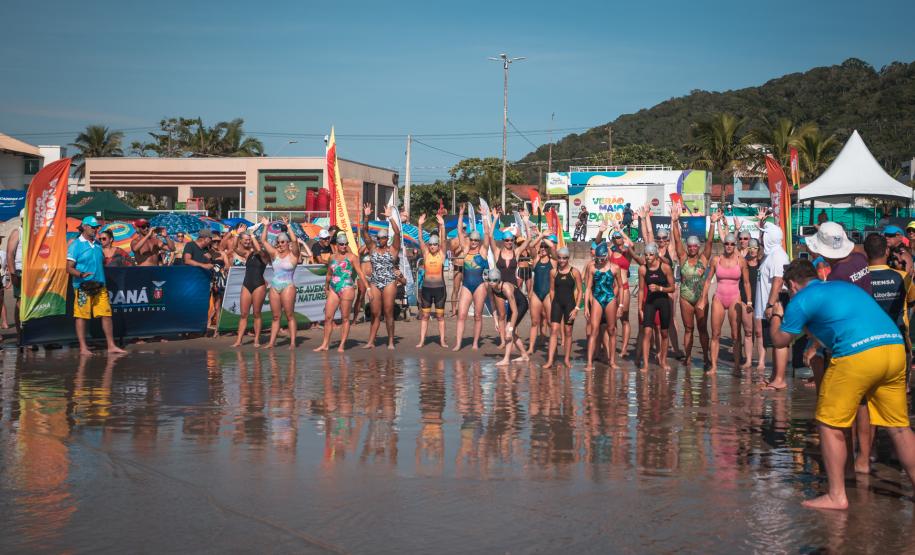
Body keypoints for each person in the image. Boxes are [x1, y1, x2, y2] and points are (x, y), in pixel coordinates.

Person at [769, 259, 915, 510]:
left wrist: (775, 311)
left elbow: (779, 340)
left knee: (828, 422)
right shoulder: (841, 287)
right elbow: (830, 325)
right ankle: (849, 473)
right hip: (893, 347)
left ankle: (837, 495)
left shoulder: (801, 299)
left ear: (792, 285)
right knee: (899, 428)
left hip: (857, 353)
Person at [66, 216, 126, 356]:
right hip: (83, 286)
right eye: (93, 227)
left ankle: (111, 345)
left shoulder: (98, 244)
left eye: (97, 227)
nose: (95, 229)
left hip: (100, 285)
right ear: (85, 227)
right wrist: (81, 274)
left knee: (106, 315)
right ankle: (83, 347)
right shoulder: (75, 245)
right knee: (82, 317)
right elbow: (68, 268)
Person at [698, 233, 752, 373]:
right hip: (719, 298)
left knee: (735, 335)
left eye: (732, 244)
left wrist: (750, 301)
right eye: (727, 244)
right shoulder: (716, 259)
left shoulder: (741, 261)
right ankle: (714, 366)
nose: (729, 246)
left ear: (735, 246)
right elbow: (708, 280)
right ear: (724, 245)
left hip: (735, 297)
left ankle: (735, 366)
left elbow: (746, 283)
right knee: (715, 333)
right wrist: (703, 298)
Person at [671, 208, 716, 368]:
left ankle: (705, 357)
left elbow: (710, 242)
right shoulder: (682, 258)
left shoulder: (704, 259)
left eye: (694, 246)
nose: (692, 248)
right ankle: (688, 357)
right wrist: (675, 222)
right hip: (685, 298)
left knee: (703, 329)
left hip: (700, 298)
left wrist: (713, 224)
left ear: (698, 246)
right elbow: (677, 241)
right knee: (688, 329)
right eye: (689, 246)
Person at [314, 233, 372, 352]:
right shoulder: (332, 257)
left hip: (347, 287)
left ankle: (342, 345)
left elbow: (360, 273)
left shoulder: (352, 257)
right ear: (337, 245)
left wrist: (369, 288)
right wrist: (326, 287)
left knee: (345, 318)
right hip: (334, 288)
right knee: (328, 317)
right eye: (341, 244)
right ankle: (325, 344)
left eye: (346, 244)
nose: (344, 246)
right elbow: (329, 274)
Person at [756, 208, 791, 390]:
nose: (761, 238)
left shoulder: (778, 255)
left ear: (770, 238)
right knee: (772, 342)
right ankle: (774, 376)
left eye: (764, 235)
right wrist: (762, 223)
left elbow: (778, 281)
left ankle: (780, 379)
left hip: (776, 303)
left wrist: (770, 304)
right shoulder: (770, 254)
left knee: (779, 342)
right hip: (769, 305)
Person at [361, 204, 401, 350]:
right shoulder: (372, 248)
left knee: (388, 312)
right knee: (375, 313)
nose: (380, 240)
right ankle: (371, 341)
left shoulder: (393, 249)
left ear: (387, 238)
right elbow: (364, 232)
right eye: (378, 238)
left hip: (389, 281)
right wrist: (366, 217)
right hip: (375, 282)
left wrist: (390, 218)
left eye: (383, 238)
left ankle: (390, 341)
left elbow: (397, 234)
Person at [452, 204, 490, 351]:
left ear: (478, 241)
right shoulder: (466, 250)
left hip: (480, 285)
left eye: (476, 240)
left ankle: (475, 343)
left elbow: (487, 234)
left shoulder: (483, 252)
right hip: (467, 285)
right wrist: (461, 215)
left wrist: (485, 216)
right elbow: (460, 233)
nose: (474, 242)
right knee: (461, 315)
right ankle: (458, 343)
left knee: (478, 316)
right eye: (472, 240)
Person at [259, 217, 301, 349]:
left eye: (283, 242)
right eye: (279, 242)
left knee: (289, 315)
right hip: (274, 287)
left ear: (288, 243)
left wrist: (288, 226)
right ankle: (271, 342)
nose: (281, 244)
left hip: (288, 286)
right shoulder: (275, 253)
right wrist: (266, 226)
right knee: (276, 316)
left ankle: (293, 342)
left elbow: (295, 240)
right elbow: (263, 241)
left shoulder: (294, 254)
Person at [584, 242, 623, 370]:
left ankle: (611, 361)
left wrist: (621, 305)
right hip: (597, 298)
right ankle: (589, 362)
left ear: (606, 256)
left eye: (601, 259)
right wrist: (585, 307)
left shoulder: (615, 268)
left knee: (611, 330)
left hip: (610, 298)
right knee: (594, 329)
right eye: (597, 259)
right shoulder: (593, 268)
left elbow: (621, 287)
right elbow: (588, 288)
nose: (599, 261)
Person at [543, 247, 582, 369]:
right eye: (559, 258)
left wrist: (576, 308)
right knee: (554, 330)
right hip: (557, 304)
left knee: (568, 332)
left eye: (564, 258)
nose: (562, 260)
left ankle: (566, 359)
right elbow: (552, 289)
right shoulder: (553, 272)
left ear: (568, 258)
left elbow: (581, 291)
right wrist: (553, 303)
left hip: (570, 305)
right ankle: (550, 360)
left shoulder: (574, 272)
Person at [639, 243, 675, 370]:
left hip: (663, 301)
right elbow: (641, 290)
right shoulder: (642, 269)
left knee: (664, 333)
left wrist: (659, 288)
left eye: (651, 254)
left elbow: (672, 288)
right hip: (650, 303)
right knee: (647, 332)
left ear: (656, 255)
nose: (648, 257)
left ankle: (663, 360)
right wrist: (640, 308)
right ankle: (646, 364)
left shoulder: (665, 268)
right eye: (646, 255)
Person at [416, 213, 449, 348]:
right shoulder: (425, 253)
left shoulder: (441, 254)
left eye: (435, 244)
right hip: (427, 289)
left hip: (440, 289)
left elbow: (444, 242)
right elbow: (420, 240)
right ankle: (422, 340)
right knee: (425, 316)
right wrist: (419, 225)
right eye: (431, 244)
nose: (433, 246)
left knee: (440, 317)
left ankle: (442, 340)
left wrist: (442, 226)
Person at [231, 232, 270, 347]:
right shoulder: (248, 253)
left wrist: (253, 237)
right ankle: (238, 340)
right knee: (243, 314)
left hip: (259, 285)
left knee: (257, 313)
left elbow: (258, 250)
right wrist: (237, 235)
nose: (249, 242)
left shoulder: (264, 255)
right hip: (247, 284)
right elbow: (233, 247)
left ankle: (257, 339)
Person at [486, 268, 529, 365]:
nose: (491, 283)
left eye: (494, 281)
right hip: (513, 305)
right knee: (510, 332)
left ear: (499, 280)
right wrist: (496, 321)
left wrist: (510, 329)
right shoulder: (490, 287)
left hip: (521, 305)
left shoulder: (506, 289)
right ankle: (524, 355)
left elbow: (515, 312)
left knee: (508, 331)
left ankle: (506, 359)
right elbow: (492, 304)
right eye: (489, 280)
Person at [525, 231, 554, 356]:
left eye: (544, 247)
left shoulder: (553, 262)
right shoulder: (536, 260)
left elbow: (553, 247)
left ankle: (552, 348)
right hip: (536, 293)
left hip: (548, 294)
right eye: (541, 247)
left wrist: (546, 240)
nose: (542, 249)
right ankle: (531, 348)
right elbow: (531, 246)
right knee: (534, 322)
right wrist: (541, 236)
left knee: (549, 321)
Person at [740, 238, 764, 370]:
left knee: (759, 332)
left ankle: (761, 361)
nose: (753, 250)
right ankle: (748, 360)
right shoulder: (743, 264)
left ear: (758, 249)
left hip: (759, 301)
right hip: (745, 301)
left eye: (755, 248)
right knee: (748, 332)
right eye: (750, 248)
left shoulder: (763, 263)